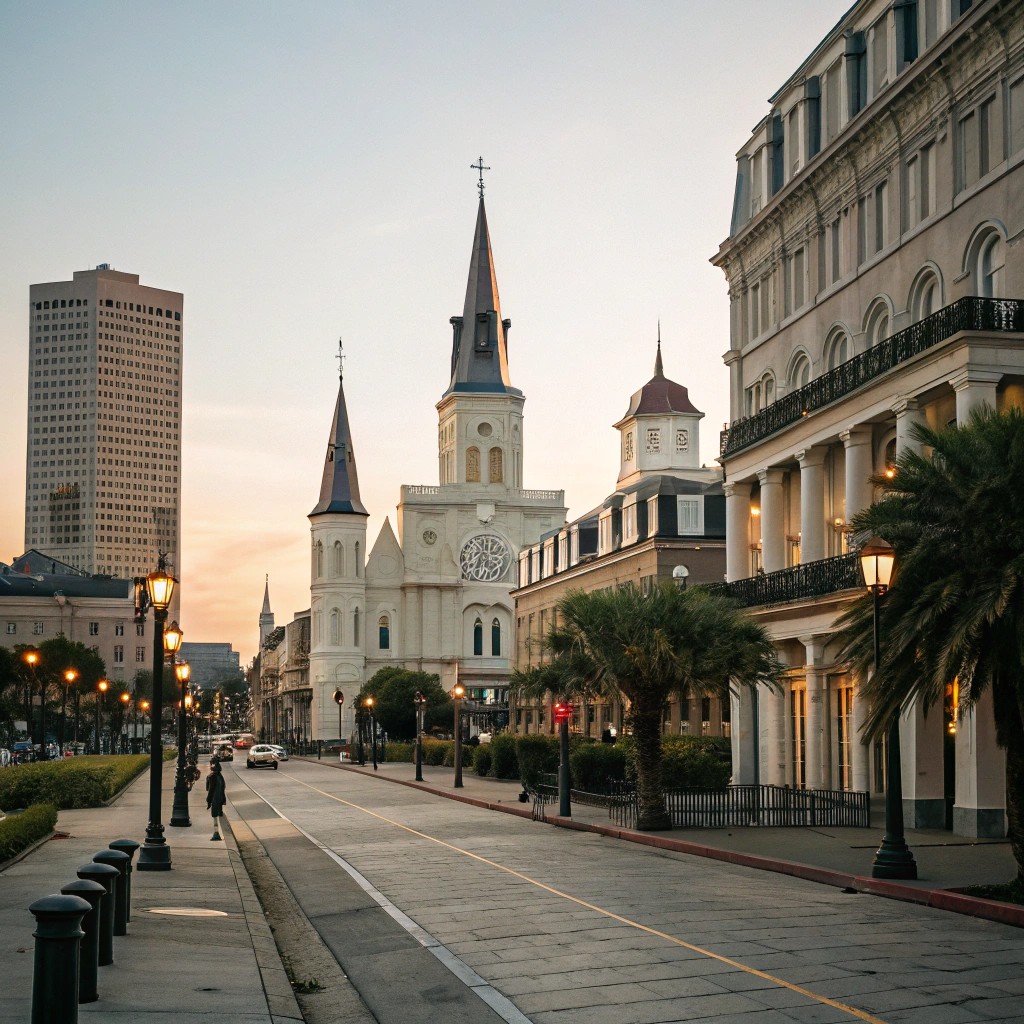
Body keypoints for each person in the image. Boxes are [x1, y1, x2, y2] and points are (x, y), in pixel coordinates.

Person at [205, 758, 226, 841]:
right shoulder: (220, 776)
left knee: (215, 817)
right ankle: (217, 833)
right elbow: (223, 788)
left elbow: (210, 790)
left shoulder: (211, 777)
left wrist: (208, 801)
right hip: (220, 799)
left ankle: (216, 834)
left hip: (215, 800)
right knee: (217, 816)